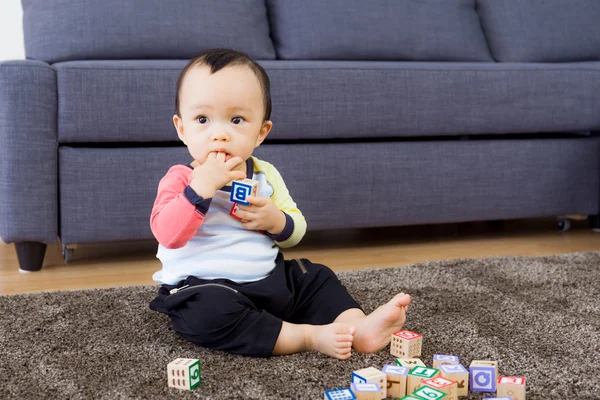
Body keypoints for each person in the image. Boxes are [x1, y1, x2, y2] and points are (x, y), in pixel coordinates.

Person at [149, 48, 411, 359]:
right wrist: (200, 189)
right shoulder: (180, 179)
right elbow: (167, 234)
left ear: (261, 132)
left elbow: (296, 230)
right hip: (208, 288)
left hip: (271, 282)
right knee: (207, 315)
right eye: (203, 119)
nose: (219, 134)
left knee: (315, 277)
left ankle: (359, 327)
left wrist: (275, 220)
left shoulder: (264, 175)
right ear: (182, 128)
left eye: (236, 120)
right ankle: (306, 336)